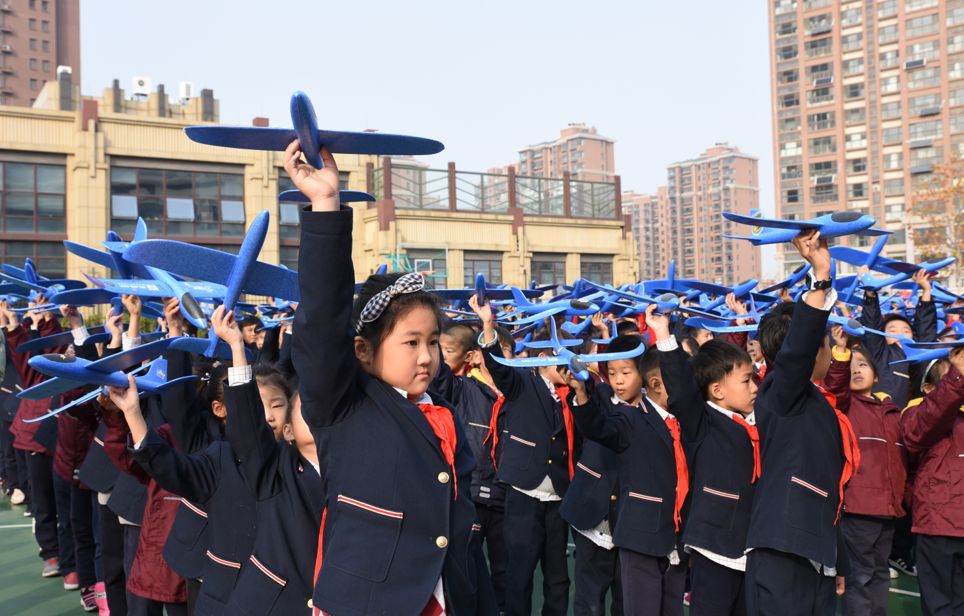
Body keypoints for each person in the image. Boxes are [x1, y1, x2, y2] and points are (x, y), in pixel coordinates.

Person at [285, 141, 496, 615]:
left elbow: (458, 531)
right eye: (410, 342)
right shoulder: (344, 404)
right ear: (361, 349)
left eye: (432, 341)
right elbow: (320, 322)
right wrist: (325, 207)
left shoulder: (440, 411)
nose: (426, 356)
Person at [743, 229, 858, 615]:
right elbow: (797, 351)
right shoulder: (781, 391)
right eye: (824, 342)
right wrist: (821, 276)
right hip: (783, 552)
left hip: (813, 552)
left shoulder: (813, 402)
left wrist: (835, 560)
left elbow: (828, 492)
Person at [566, 335, 688, 616]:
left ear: (644, 374)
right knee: (590, 599)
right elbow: (594, 425)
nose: (618, 381)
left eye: (626, 372)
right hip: (594, 515)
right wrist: (581, 390)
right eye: (612, 373)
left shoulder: (659, 413)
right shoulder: (599, 399)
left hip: (632, 524)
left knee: (627, 598)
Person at [650, 307, 759, 616]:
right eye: (747, 381)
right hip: (714, 547)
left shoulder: (755, 421)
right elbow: (683, 391)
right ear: (717, 391)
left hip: (751, 547)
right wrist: (663, 334)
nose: (755, 388)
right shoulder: (704, 422)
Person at [471, 295, 576, 616]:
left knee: (558, 578)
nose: (570, 364)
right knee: (519, 574)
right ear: (543, 358)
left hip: (558, 496)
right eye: (564, 357)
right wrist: (488, 326)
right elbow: (500, 371)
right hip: (523, 494)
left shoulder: (575, 395)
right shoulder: (522, 383)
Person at [825, 326, 906, 616]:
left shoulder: (890, 410)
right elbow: (834, 387)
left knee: (880, 574)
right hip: (858, 508)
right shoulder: (845, 405)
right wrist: (841, 353)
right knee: (859, 576)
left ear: (877, 374)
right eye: (852, 366)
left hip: (887, 509)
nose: (856, 370)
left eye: (863, 365)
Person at [899, 348, 964, 616]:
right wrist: (956, 378)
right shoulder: (915, 411)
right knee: (941, 607)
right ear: (928, 387)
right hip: (939, 525)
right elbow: (917, 432)